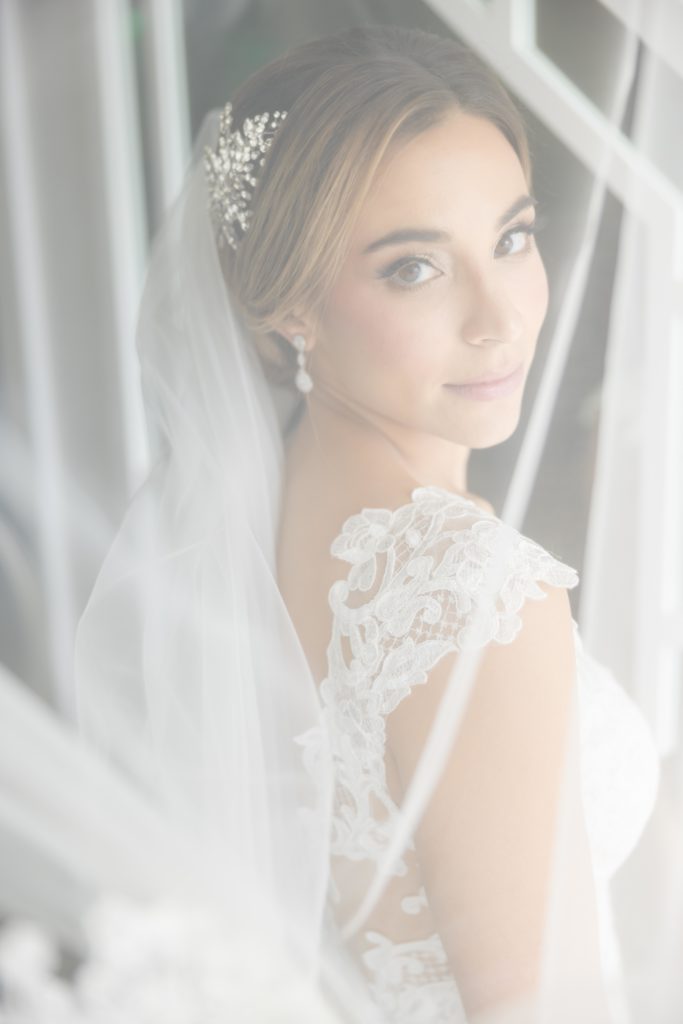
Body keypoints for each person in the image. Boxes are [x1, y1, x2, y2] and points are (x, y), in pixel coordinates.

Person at [0, 23, 661, 1024]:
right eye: (412, 267)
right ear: (291, 306)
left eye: (511, 237)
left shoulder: (239, 517)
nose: (499, 315)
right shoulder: (473, 600)